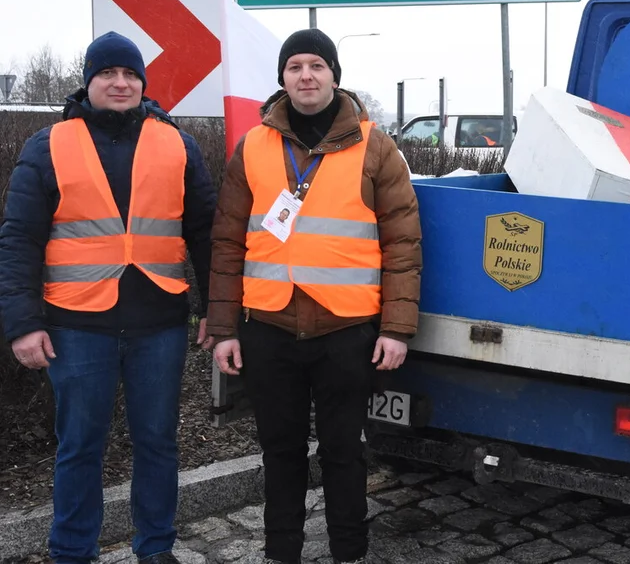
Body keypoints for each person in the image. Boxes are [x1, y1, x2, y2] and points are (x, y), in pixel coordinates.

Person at [0, 32, 216, 564]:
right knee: (79, 448)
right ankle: (71, 552)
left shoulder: (176, 143)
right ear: (88, 81)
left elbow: (208, 234)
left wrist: (217, 310)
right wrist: (23, 323)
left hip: (159, 323)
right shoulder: (48, 144)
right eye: (107, 74)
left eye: (130, 75)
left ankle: (156, 549)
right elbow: (19, 240)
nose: (120, 84)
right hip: (76, 325)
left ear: (142, 83)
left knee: (158, 444)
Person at [207, 28, 422, 564]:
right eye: (296, 65)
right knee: (280, 454)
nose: (306, 75)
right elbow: (229, 241)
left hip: (345, 331)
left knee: (344, 453)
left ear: (334, 76)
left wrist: (396, 329)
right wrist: (225, 329)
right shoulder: (252, 146)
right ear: (282, 78)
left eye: (317, 65)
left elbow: (403, 241)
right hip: (270, 328)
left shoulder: (376, 145)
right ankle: (282, 553)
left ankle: (349, 553)